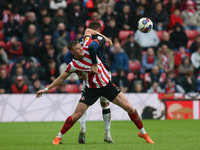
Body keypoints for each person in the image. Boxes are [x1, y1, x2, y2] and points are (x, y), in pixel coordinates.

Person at [36, 39, 154, 145]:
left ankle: (143, 133)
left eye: (80, 46)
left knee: (130, 109)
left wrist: (104, 38)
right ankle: (58, 137)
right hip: (91, 89)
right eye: (77, 49)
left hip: (107, 86)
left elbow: (91, 34)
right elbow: (61, 78)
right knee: (76, 115)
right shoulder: (73, 65)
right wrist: (46, 89)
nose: (81, 49)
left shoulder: (89, 49)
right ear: (72, 52)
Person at [63, 21, 114, 143]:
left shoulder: (80, 41)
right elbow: (93, 48)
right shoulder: (98, 39)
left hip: (87, 76)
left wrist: (77, 71)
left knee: (84, 103)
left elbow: (66, 57)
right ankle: (107, 134)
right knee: (105, 104)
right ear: (98, 30)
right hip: (102, 74)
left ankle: (83, 128)